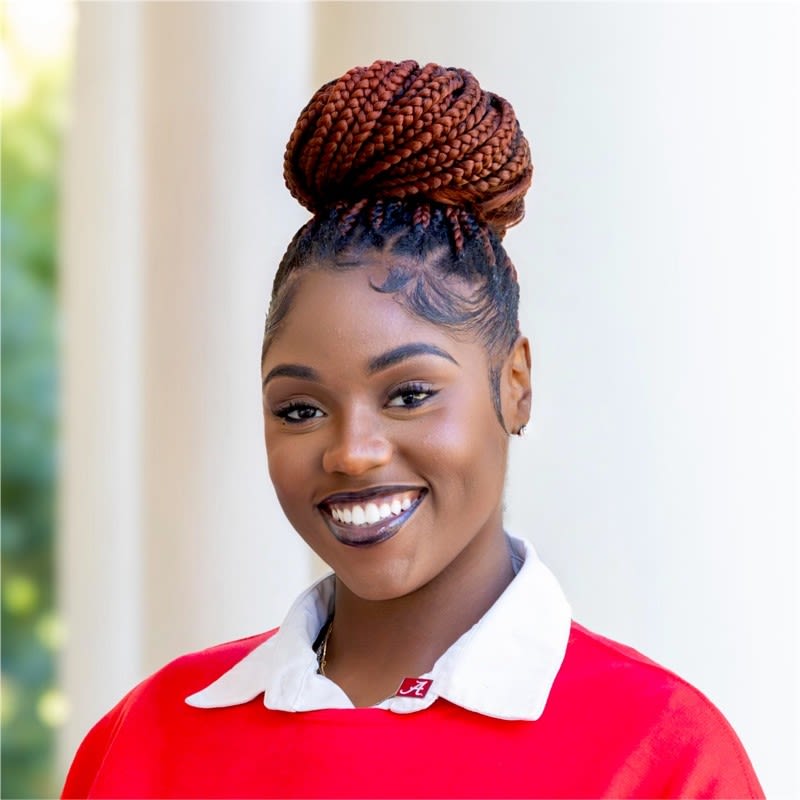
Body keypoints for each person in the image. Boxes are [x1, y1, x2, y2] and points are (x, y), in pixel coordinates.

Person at [62, 59, 763, 798]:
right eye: (300, 409)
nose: (351, 453)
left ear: (515, 385)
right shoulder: (148, 739)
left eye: (409, 394)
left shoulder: (660, 754)